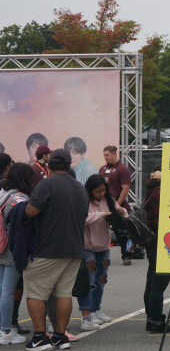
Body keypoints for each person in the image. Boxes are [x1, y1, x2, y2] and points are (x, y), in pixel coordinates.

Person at [22, 149, 88, 351]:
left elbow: (30, 212)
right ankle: (61, 336)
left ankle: (40, 337)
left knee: (35, 293)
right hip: (74, 248)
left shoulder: (47, 183)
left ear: (49, 165)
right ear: (70, 165)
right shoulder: (79, 187)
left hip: (47, 249)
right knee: (63, 294)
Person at [77, 174, 128, 331]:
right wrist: (102, 214)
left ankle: (97, 309)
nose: (101, 194)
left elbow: (124, 215)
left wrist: (121, 210)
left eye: (104, 191)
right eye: (98, 191)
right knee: (89, 281)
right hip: (88, 247)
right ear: (90, 190)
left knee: (101, 280)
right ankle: (89, 312)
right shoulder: (84, 201)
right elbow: (83, 218)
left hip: (105, 246)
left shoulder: (108, 199)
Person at [0, 164, 33, 345]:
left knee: (2, 288)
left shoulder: (3, 192)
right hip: (12, 247)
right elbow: (23, 223)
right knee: (8, 290)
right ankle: (6, 330)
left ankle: (2, 328)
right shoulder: (20, 198)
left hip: (0, 244)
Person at [142, 166, 170, 335]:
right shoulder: (161, 193)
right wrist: (167, 177)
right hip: (163, 243)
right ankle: (156, 321)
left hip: (153, 243)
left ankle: (151, 319)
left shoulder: (151, 191)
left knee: (151, 284)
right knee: (158, 287)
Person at [99, 146, 133, 265]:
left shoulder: (122, 169)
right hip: (103, 205)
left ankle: (126, 255)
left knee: (122, 233)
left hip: (117, 205)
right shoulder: (102, 169)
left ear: (114, 154)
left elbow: (125, 188)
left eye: (107, 155)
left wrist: (117, 204)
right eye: (104, 155)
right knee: (100, 230)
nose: (105, 157)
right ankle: (99, 255)